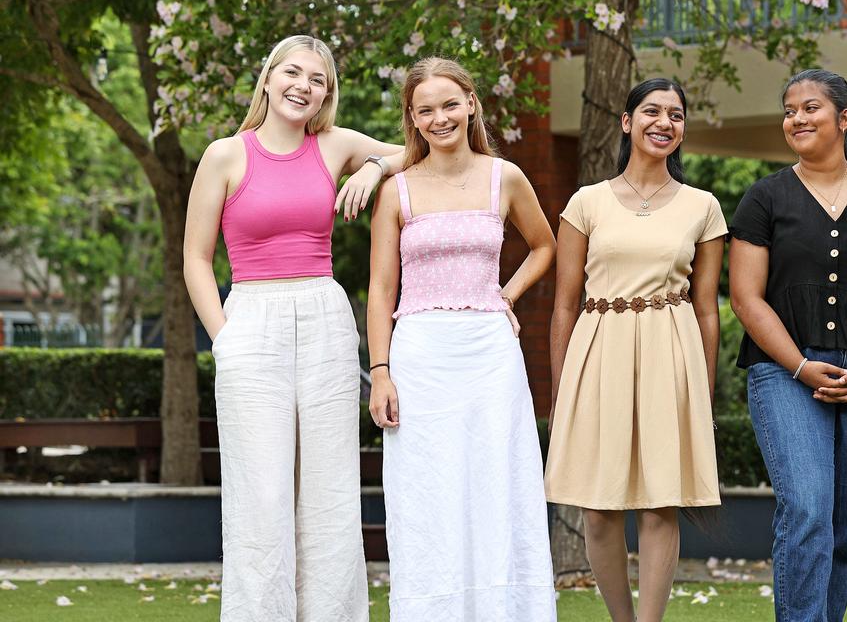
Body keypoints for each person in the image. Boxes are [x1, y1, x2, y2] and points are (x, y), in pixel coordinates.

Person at [183, 34, 407, 621]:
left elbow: (423, 147)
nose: (303, 86)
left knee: (330, 490)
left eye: (318, 80)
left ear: (327, 95)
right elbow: (195, 259)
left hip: (325, 318)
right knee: (261, 495)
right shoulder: (225, 155)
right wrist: (224, 339)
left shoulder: (333, 145)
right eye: (293, 72)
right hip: (250, 319)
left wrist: (376, 167)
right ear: (268, 77)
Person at [365, 57, 557, 620]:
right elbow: (379, 289)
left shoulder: (507, 177)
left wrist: (508, 295)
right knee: (427, 492)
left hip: (490, 355)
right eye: (426, 110)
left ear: (472, 103)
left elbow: (545, 246)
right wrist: (380, 372)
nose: (440, 117)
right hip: (420, 356)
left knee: (497, 484)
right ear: (413, 119)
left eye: (450, 104)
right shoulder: (396, 190)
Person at [728, 69, 847, 622]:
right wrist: (801, 366)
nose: (797, 119)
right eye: (789, 110)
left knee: (846, 524)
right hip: (784, 374)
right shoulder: (764, 197)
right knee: (808, 510)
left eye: (810, 108)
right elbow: (746, 297)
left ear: (844, 118)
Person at [544, 78, 725, 622]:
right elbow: (563, 305)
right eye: (651, 111)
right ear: (627, 122)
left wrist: (703, 391)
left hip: (670, 350)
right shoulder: (587, 203)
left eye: (675, 115)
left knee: (658, 502)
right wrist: (562, 391)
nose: (663, 123)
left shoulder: (704, 206)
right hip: (599, 352)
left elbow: (708, 309)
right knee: (598, 510)